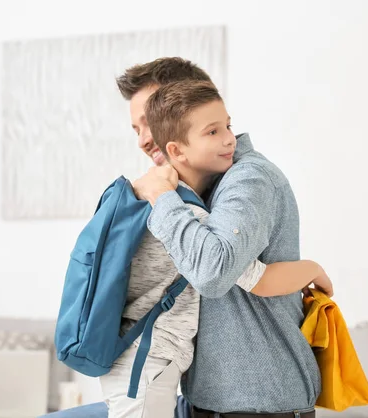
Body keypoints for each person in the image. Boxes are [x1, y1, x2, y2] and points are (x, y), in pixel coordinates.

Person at [100, 79, 331, 418]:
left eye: (151, 121)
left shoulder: (239, 181)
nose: (145, 139)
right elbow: (238, 272)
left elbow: (217, 271)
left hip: (252, 402)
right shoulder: (176, 201)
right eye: (138, 127)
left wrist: (312, 268)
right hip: (166, 378)